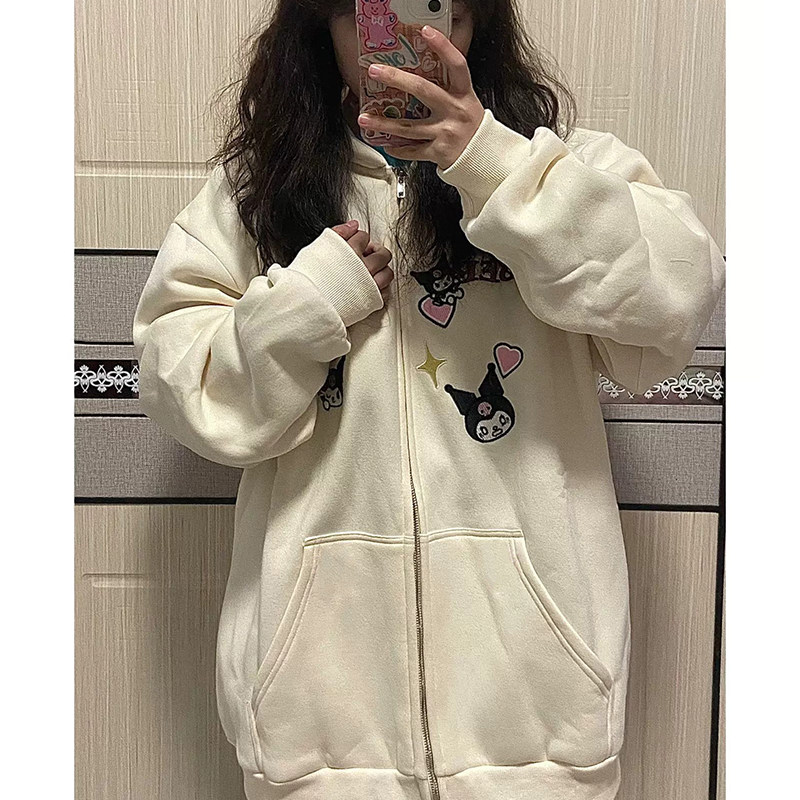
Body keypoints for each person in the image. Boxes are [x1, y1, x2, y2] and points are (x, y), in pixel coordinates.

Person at [132, 1, 726, 798]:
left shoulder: (565, 168)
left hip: (540, 740)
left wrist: (495, 166)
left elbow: (674, 303)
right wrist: (306, 306)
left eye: (435, 10)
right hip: (320, 746)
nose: (406, 45)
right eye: (373, 15)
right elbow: (188, 392)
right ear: (324, 26)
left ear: (476, 23)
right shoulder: (254, 197)